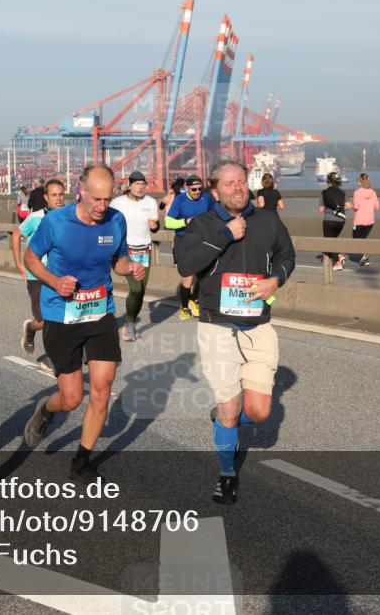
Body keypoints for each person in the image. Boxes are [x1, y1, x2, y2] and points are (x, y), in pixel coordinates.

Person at [175, 159, 295, 505]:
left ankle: (224, 418)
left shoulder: (268, 220)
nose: (238, 188)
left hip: (258, 325)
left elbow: (288, 255)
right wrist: (225, 234)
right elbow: (186, 264)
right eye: (229, 183)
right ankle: (227, 475)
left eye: (241, 181)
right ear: (215, 190)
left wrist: (276, 279)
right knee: (230, 410)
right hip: (217, 327)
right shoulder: (201, 224)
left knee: (257, 412)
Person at [22, 164, 145, 481]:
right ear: (81, 191)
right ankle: (47, 410)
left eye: (109, 199)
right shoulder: (56, 222)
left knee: (102, 391)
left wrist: (129, 266)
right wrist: (53, 280)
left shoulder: (115, 220)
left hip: (100, 312)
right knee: (73, 398)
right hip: (61, 315)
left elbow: (118, 261)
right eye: (97, 199)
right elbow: (31, 259)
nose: (103, 206)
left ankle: (81, 460)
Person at [12, 179, 66, 360]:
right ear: (45, 197)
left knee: (61, 317)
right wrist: (19, 264)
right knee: (43, 320)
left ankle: (54, 358)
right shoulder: (36, 217)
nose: (58, 199)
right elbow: (17, 234)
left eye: (61, 194)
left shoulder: (68, 216)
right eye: (54, 195)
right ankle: (30, 329)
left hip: (59, 274)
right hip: (36, 274)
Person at [109, 170, 159, 340]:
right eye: (137, 184)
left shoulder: (151, 202)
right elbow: (108, 223)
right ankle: (129, 323)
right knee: (135, 288)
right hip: (127, 251)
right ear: (129, 186)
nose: (140, 188)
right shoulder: (117, 203)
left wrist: (154, 226)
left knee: (142, 291)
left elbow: (155, 225)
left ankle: (128, 323)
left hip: (145, 250)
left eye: (143, 184)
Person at [165, 176, 215, 319]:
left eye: (200, 188)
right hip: (184, 240)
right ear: (187, 188)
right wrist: (185, 221)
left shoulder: (206, 198)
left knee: (205, 272)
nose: (197, 192)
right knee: (188, 276)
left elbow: (213, 215)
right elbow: (169, 222)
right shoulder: (180, 200)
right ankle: (185, 307)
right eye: (194, 189)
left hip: (201, 239)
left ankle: (194, 299)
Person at [318, 171, 350, 271]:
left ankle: (338, 260)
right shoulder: (343, 192)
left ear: (328, 181)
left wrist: (327, 208)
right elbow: (349, 205)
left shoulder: (324, 192)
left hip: (328, 220)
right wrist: (339, 209)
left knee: (329, 241)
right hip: (341, 220)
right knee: (334, 239)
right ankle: (338, 258)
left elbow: (321, 209)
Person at [351, 173, 380, 267]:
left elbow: (355, 206)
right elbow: (377, 207)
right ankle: (365, 259)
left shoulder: (357, 192)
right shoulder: (373, 192)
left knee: (356, 240)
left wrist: (350, 205)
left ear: (360, 182)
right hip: (370, 221)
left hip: (359, 221)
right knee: (363, 239)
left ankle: (365, 254)